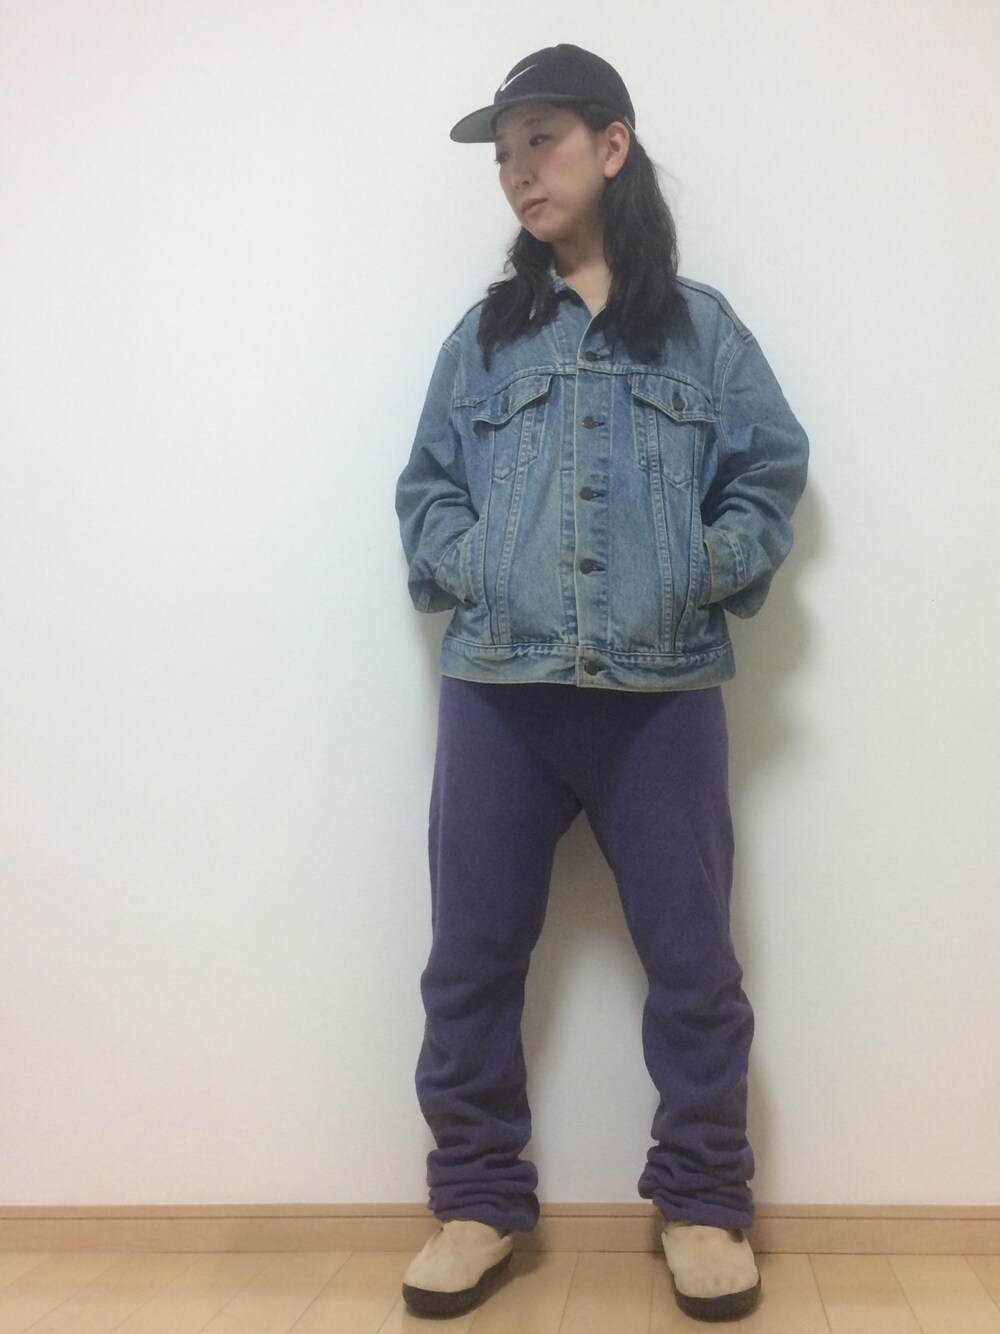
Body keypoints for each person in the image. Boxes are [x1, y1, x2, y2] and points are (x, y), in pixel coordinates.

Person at [394, 43, 808, 1323]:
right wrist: (477, 567)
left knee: (693, 964)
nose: (519, 171)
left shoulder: (702, 328)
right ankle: (474, 1200)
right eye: (505, 153)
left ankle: (702, 1202)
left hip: (661, 694)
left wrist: (699, 567)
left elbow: (770, 469)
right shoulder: (483, 338)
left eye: (543, 141)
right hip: (500, 694)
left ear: (611, 146)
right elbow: (425, 490)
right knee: (470, 960)